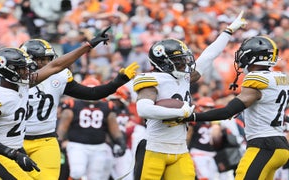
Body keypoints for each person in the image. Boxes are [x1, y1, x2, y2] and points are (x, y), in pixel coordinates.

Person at [0, 26, 111, 179]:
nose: (28, 71)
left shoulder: (22, 83)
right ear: (9, 70)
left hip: (16, 148)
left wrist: (88, 45)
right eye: (22, 69)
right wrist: (11, 153)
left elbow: (56, 65)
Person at [132, 11, 247, 180]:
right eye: (179, 61)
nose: (184, 64)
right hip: (154, 148)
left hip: (180, 149)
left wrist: (228, 31)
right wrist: (180, 113)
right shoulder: (152, 79)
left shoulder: (184, 77)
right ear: (163, 63)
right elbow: (143, 109)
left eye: (185, 60)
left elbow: (208, 56)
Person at [20, 38, 139, 180]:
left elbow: (92, 93)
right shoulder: (12, 80)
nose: (48, 63)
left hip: (45, 139)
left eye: (49, 59)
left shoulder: (59, 76)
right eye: (42, 59)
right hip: (15, 139)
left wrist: (118, 81)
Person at [182, 36, 289, 180]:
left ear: (251, 56)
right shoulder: (280, 78)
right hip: (280, 146)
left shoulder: (256, 80)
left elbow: (228, 111)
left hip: (263, 145)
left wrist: (193, 116)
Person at [56, 77, 127, 180]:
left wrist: (121, 142)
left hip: (99, 147)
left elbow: (114, 128)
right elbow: (63, 126)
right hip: (77, 145)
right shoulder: (73, 104)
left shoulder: (107, 106)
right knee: (77, 172)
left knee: (95, 177)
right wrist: (59, 141)